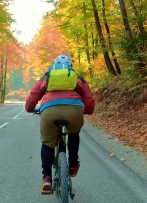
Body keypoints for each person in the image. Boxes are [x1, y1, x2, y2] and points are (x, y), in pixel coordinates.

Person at [25, 54, 95, 194]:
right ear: (70, 66)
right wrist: (88, 110)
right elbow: (89, 100)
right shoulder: (77, 76)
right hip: (74, 110)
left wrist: (30, 108)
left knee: (48, 142)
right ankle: (73, 165)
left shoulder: (47, 76)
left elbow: (33, 94)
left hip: (49, 110)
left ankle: (47, 179)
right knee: (73, 133)